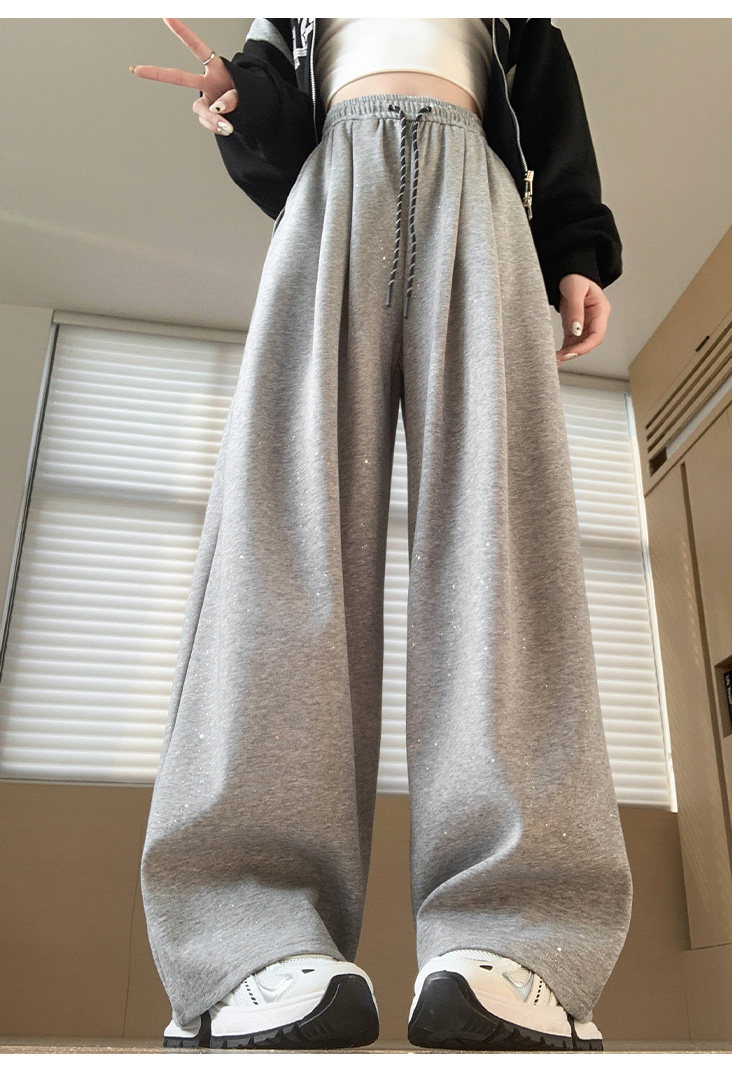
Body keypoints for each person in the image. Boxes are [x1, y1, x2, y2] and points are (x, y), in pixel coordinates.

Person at [130, 16, 633, 1052]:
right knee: (280, 536)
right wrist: (238, 99)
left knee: (504, 547)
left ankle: (519, 937)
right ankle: (249, 935)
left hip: (483, 195)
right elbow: (276, 125)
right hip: (330, 196)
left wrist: (576, 250)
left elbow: (551, 118)